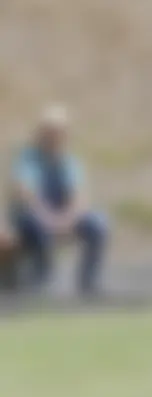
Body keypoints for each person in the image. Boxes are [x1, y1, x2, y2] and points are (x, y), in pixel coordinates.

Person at [8, 105, 109, 295]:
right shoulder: (28, 159)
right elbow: (25, 193)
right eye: (50, 132)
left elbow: (79, 196)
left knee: (97, 223)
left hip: (62, 216)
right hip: (35, 216)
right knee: (35, 223)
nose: (54, 137)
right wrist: (48, 217)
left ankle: (88, 282)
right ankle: (40, 279)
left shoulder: (69, 161)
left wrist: (66, 219)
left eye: (59, 132)